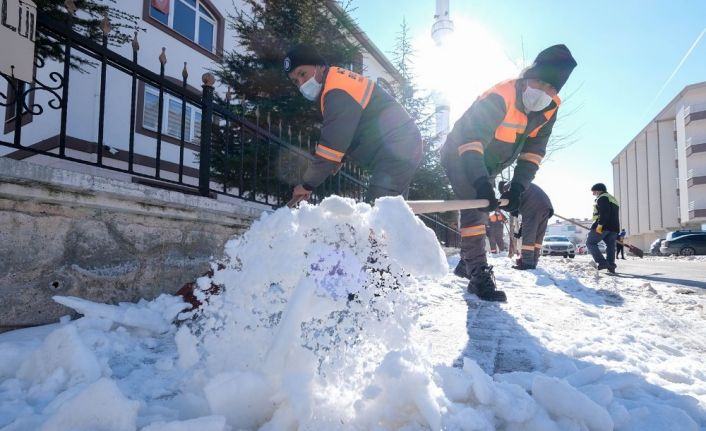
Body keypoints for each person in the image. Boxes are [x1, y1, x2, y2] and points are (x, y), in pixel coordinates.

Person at [443, 44, 577, 301]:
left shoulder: (549, 109)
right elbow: (472, 141)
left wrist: (518, 187)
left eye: (552, 89)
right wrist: (481, 181)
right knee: (475, 204)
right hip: (461, 153)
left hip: (492, 163)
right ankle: (477, 274)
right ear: (528, 76)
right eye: (540, 83)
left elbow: (533, 153)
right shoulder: (500, 95)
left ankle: (467, 263)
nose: (544, 92)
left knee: (480, 206)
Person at [283, 44, 423, 205]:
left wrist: (307, 184)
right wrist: (337, 159)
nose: (301, 84)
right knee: (390, 211)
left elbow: (331, 145)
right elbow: (353, 130)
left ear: (319, 66)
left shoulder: (337, 90)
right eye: (295, 81)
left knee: (378, 210)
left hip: (399, 147)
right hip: (398, 146)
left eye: (303, 74)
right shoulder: (335, 83)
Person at [502, 182, 554, 270]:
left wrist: (513, 210)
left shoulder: (511, 188)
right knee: (538, 237)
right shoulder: (522, 184)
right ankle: (533, 261)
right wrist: (521, 231)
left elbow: (515, 206)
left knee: (528, 238)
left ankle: (527, 263)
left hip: (533, 207)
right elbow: (528, 220)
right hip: (546, 207)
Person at [587, 183, 620, 273]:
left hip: (603, 226)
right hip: (614, 228)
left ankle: (602, 263)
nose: (593, 194)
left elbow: (604, 212)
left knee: (590, 243)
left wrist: (600, 225)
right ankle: (611, 265)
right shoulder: (612, 198)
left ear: (599, 190)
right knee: (610, 246)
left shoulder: (603, 198)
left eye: (594, 191)